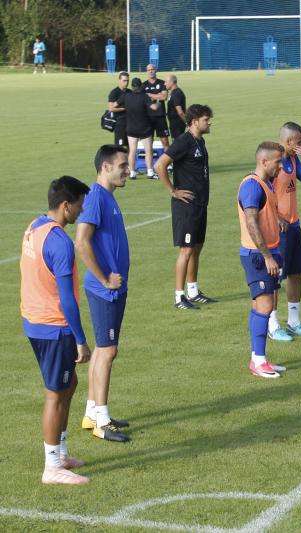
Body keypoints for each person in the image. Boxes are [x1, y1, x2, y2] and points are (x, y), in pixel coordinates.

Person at [21, 176, 91, 484]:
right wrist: (80, 340)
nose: (81, 210)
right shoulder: (61, 242)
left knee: (69, 383)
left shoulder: (36, 225)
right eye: (79, 204)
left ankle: (60, 453)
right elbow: (67, 299)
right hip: (54, 327)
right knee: (55, 394)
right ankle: (51, 468)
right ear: (66, 205)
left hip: (34, 320)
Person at [75, 145, 131, 443]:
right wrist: (105, 279)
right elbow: (81, 242)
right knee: (108, 351)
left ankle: (91, 413)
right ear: (105, 167)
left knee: (102, 349)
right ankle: (102, 420)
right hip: (105, 291)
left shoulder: (106, 197)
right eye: (122, 165)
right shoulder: (96, 198)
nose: (127, 170)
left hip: (110, 289)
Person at [154, 104, 216, 309]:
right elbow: (160, 165)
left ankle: (193, 291)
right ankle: (179, 297)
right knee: (186, 250)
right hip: (186, 206)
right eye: (206, 119)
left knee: (197, 248)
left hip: (200, 203)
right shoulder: (184, 141)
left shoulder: (200, 141)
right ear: (194, 121)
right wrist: (173, 191)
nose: (210, 122)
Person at [237, 141, 288, 378]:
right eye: (278, 162)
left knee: (260, 305)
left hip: (266, 252)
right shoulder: (252, 187)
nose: (281, 166)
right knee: (266, 305)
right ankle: (258, 361)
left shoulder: (264, 184)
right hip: (258, 256)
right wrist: (267, 256)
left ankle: (258, 358)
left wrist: (277, 220)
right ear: (264, 161)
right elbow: (251, 221)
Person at [267, 122, 301, 341]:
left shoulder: (292, 159)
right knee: (276, 278)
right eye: (298, 142)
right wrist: (277, 217)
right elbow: (263, 194)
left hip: (294, 225)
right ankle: (272, 325)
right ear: (288, 141)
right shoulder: (274, 163)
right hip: (279, 230)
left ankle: (294, 322)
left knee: (297, 273)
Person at [117, 78, 153, 179]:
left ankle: (132, 172)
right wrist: (157, 103)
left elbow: (114, 105)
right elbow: (153, 107)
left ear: (132, 86)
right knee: (148, 150)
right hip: (144, 128)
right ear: (141, 86)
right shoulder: (144, 96)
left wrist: (125, 108)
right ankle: (150, 171)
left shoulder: (126, 95)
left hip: (131, 128)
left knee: (132, 150)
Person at [143, 64, 170, 156]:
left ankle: (169, 165)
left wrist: (149, 95)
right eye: (149, 70)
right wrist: (158, 95)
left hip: (160, 116)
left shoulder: (162, 83)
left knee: (165, 141)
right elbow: (143, 99)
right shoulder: (143, 85)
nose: (150, 71)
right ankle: (150, 167)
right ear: (146, 71)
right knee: (148, 143)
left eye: (152, 69)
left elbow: (164, 97)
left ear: (156, 70)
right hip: (147, 118)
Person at [107, 72, 130, 148]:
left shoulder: (130, 92)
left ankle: (130, 160)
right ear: (119, 80)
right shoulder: (114, 93)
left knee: (131, 146)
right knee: (120, 147)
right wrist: (124, 109)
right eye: (124, 80)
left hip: (131, 124)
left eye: (127, 81)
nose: (126, 83)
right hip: (120, 124)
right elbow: (111, 108)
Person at [166, 75, 187, 140]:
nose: (164, 84)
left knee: (177, 144)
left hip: (177, 125)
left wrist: (187, 122)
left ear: (172, 82)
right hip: (174, 124)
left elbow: (180, 112)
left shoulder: (176, 93)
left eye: (166, 82)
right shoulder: (174, 92)